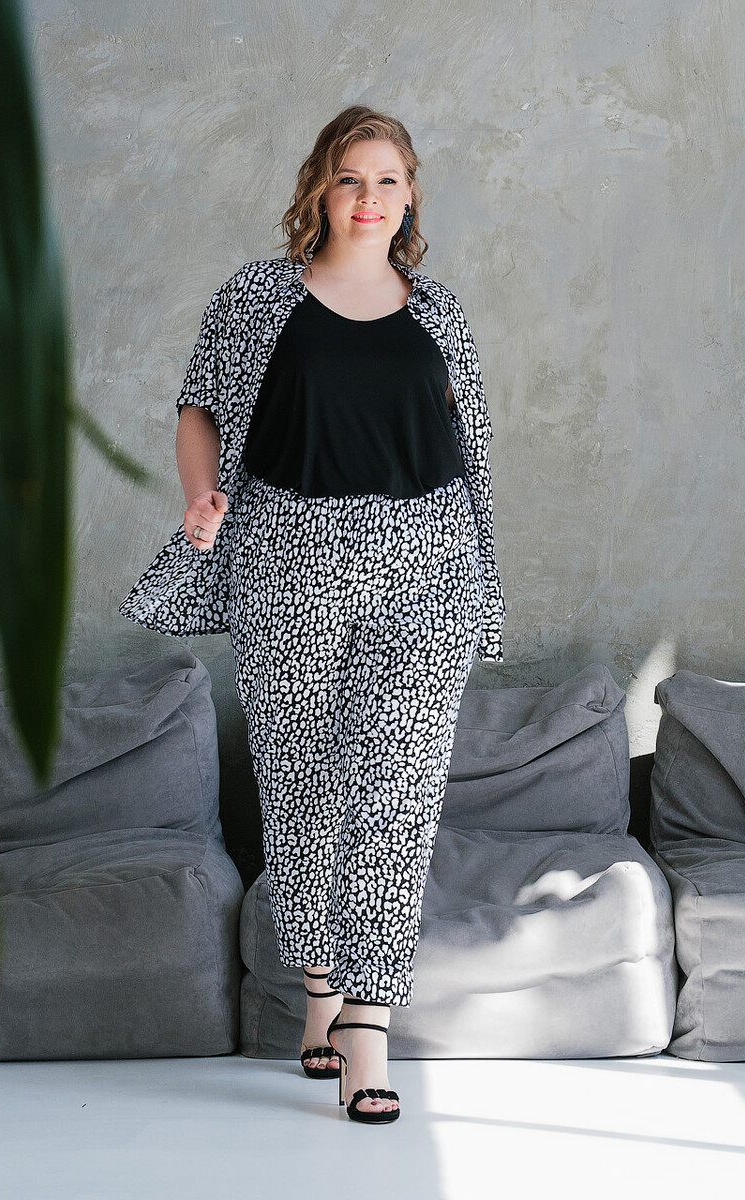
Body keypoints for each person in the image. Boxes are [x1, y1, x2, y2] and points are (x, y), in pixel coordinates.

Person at [119, 105, 506, 1124]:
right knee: (302, 789)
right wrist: (202, 500)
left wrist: (477, 576)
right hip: (289, 554)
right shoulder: (257, 297)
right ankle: (320, 991)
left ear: (411, 194)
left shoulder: (442, 314)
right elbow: (200, 407)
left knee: (398, 790)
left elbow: (471, 453)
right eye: (349, 178)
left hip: (427, 559)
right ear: (320, 190)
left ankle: (368, 1025)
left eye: (387, 180)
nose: (368, 198)